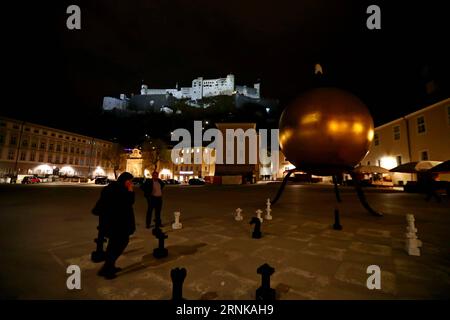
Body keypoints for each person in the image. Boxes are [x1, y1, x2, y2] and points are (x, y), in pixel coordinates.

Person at [93, 172, 136, 279]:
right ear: (125, 181)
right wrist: (130, 191)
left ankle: (109, 266)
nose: (131, 184)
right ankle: (107, 269)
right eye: (130, 181)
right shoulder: (120, 190)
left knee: (113, 246)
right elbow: (128, 202)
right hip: (117, 224)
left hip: (111, 223)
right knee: (119, 244)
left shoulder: (112, 188)